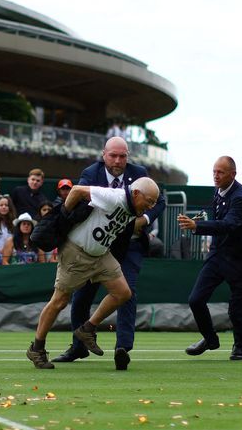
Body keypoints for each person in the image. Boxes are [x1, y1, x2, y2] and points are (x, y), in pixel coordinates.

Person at [28, 176, 162, 370]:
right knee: (59, 301)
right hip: (77, 253)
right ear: (135, 193)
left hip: (100, 255)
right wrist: (62, 219)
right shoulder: (113, 197)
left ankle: (88, 329)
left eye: (153, 203)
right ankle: (37, 348)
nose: (150, 206)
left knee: (123, 293)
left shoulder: (133, 208)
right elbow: (76, 190)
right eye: (149, 201)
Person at [55, 137, 166, 369]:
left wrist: (142, 220)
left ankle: (122, 348)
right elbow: (80, 201)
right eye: (113, 156)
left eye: (122, 156)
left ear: (128, 156)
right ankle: (78, 346)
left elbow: (159, 200)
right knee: (81, 295)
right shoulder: (90, 173)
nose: (118, 161)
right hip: (98, 246)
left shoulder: (140, 173)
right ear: (103, 154)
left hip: (130, 245)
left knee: (127, 292)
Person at [175, 157, 242, 362]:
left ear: (233, 174)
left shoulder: (241, 197)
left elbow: (229, 224)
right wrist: (203, 231)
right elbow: (219, 220)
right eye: (214, 171)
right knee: (195, 300)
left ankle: (240, 345)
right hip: (218, 254)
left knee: (235, 308)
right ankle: (210, 339)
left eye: (220, 172)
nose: (215, 176)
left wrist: (198, 227)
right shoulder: (218, 191)